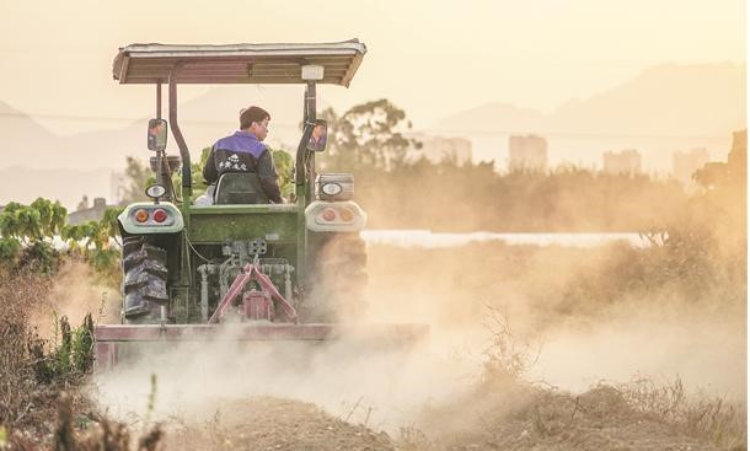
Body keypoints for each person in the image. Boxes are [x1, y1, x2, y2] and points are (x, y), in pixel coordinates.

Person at [202, 106, 283, 204]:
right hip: (255, 207)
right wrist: (280, 201)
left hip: (223, 204)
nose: (267, 130)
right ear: (254, 125)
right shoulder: (261, 150)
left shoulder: (219, 145)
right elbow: (269, 183)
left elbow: (208, 176)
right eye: (265, 125)